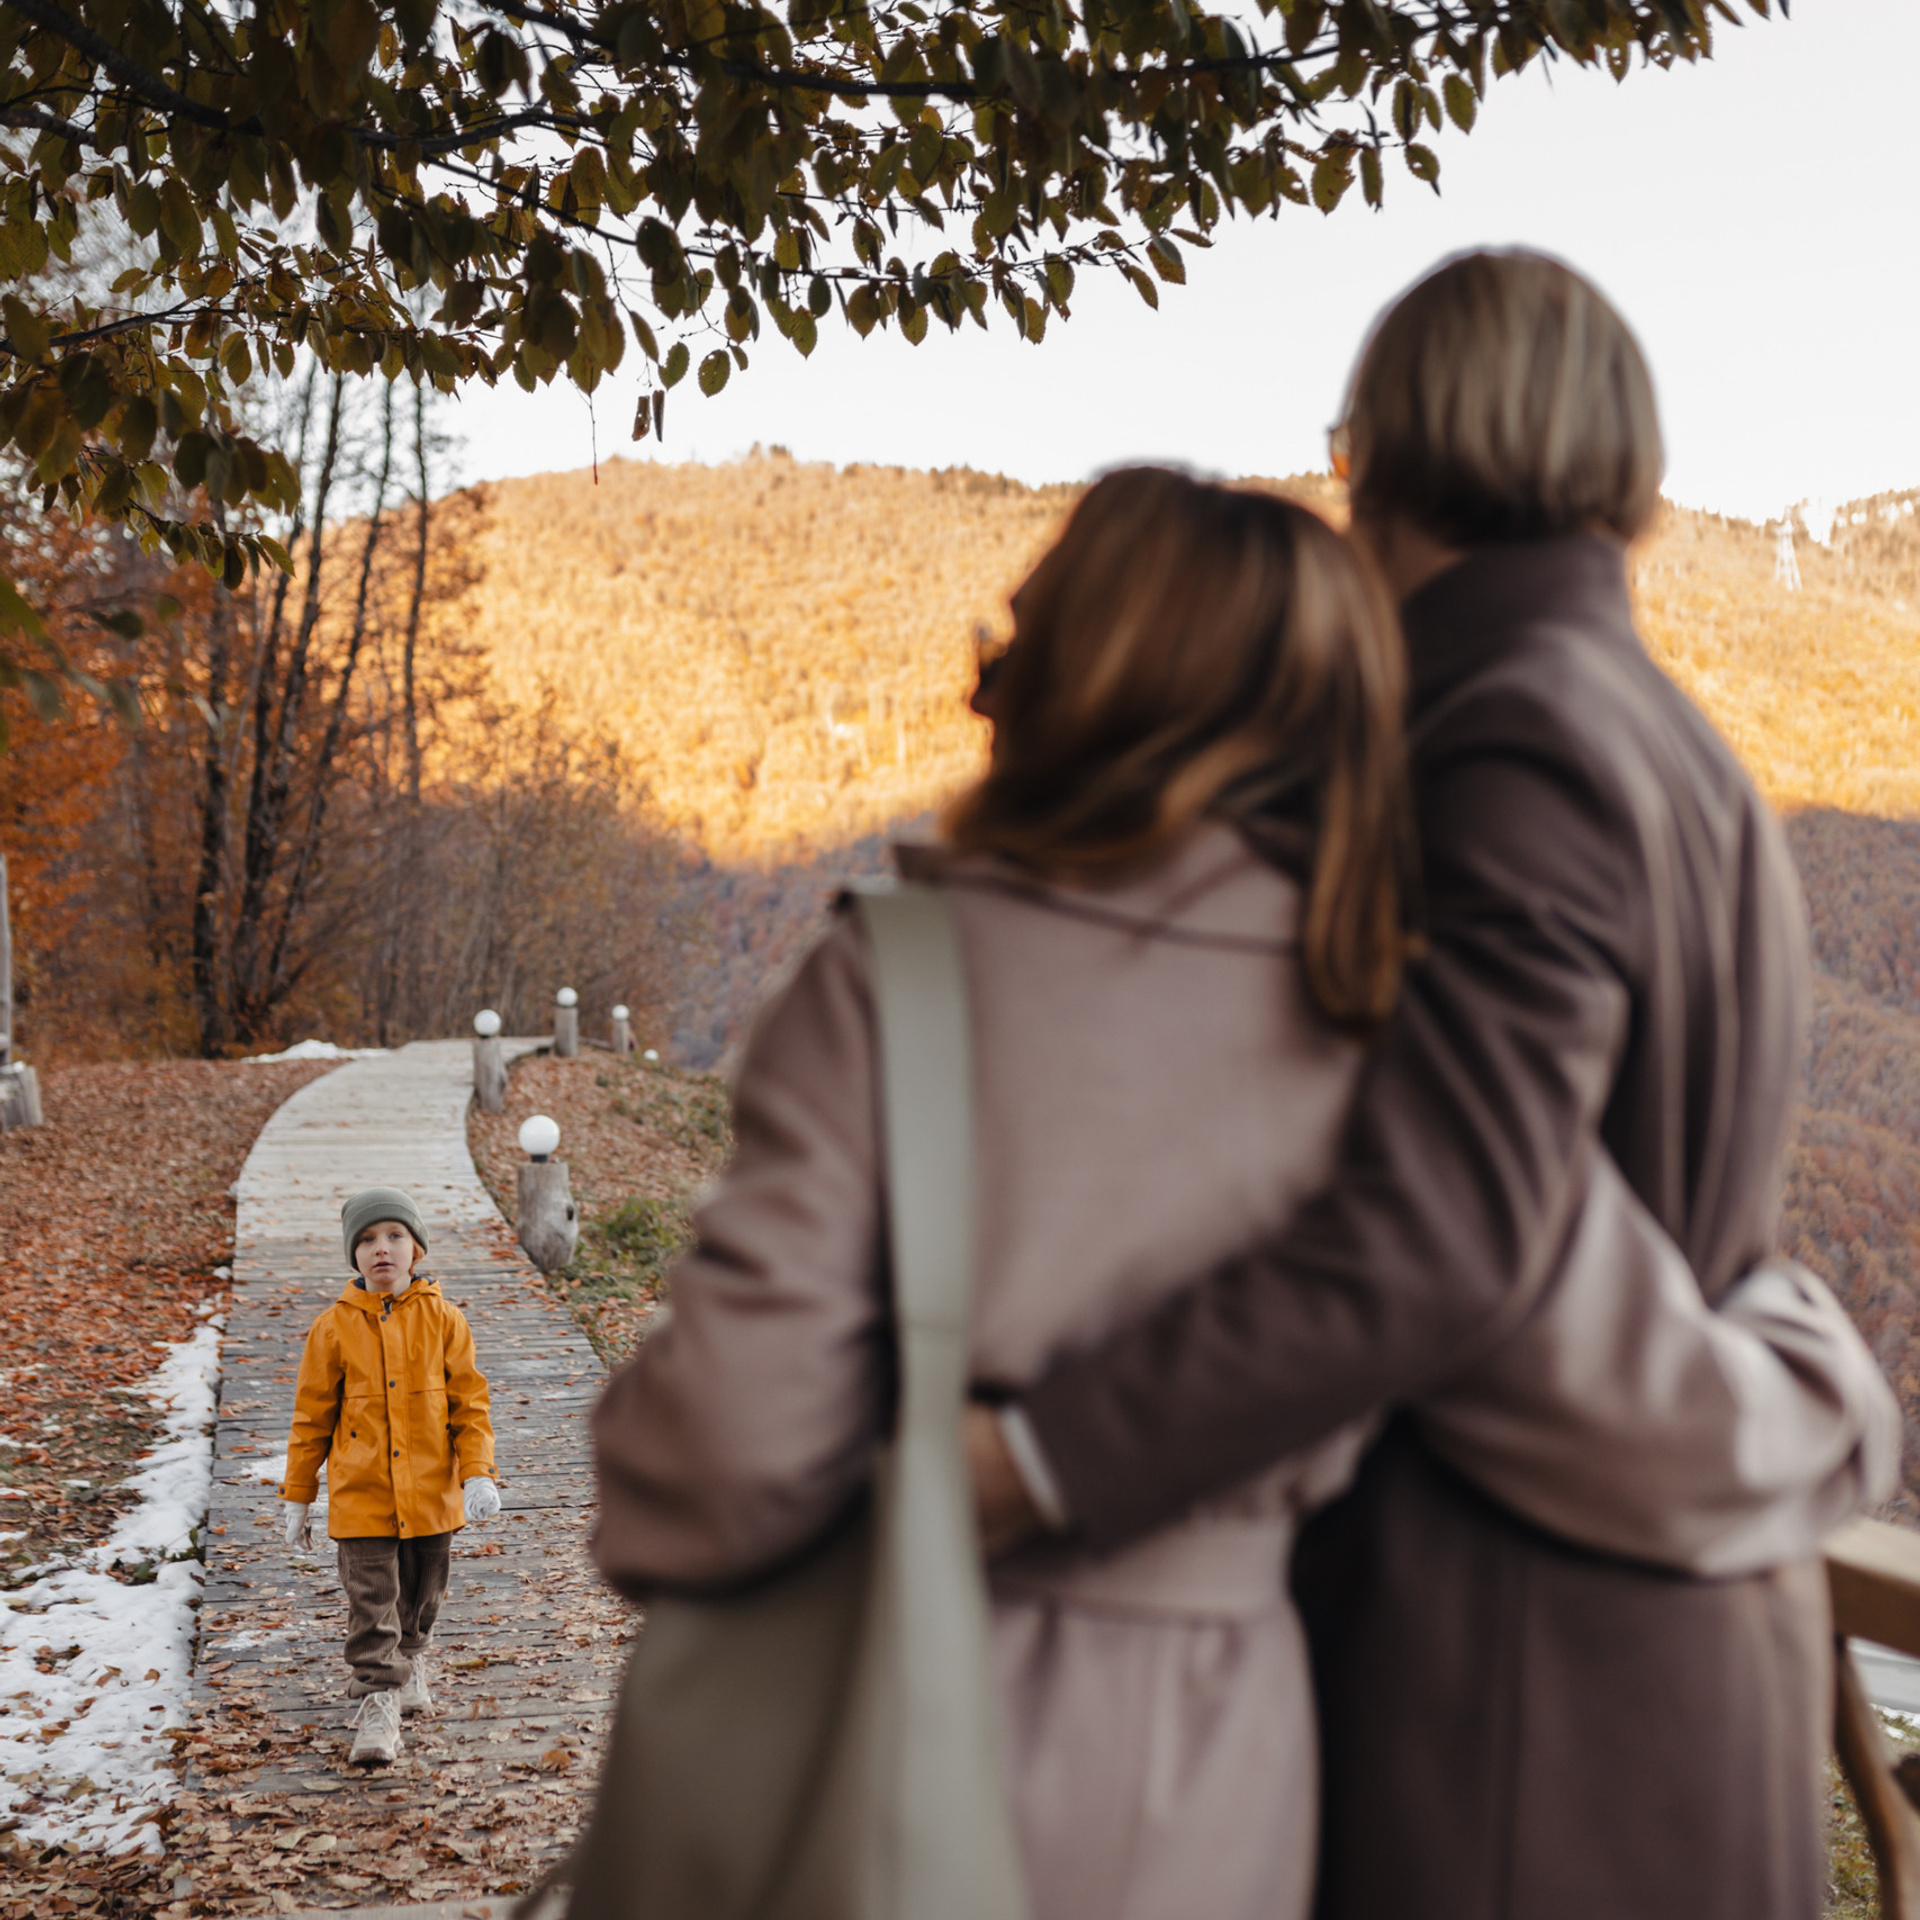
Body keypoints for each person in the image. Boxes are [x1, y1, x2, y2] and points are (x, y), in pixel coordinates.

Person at [587, 467, 1893, 1919]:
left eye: (1011, 644)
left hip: (885, 1714)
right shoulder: (1379, 1024)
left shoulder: (898, 985)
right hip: (1223, 1768)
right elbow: (1640, 1395)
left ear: (1075, 684)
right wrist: (1820, 1366)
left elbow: (709, 1459)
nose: (984, 683)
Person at [967, 251, 1875, 1919]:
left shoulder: (1498, 736)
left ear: (1387, 445)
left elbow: (1440, 1237)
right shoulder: (1690, 753)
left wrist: (1034, 1461)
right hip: (1669, 1626)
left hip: (1519, 1672)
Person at [279, 1186, 501, 1769]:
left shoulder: (445, 1320)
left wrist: (477, 1473)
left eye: (395, 1236)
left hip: (431, 1491)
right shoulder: (332, 1329)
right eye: (368, 1239)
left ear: (417, 1249)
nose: (383, 1248)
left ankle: (413, 1657)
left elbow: (469, 1405)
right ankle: (378, 1699)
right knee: (371, 1602)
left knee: (423, 1593)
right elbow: (311, 1418)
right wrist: (299, 1495)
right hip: (363, 1495)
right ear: (353, 1257)